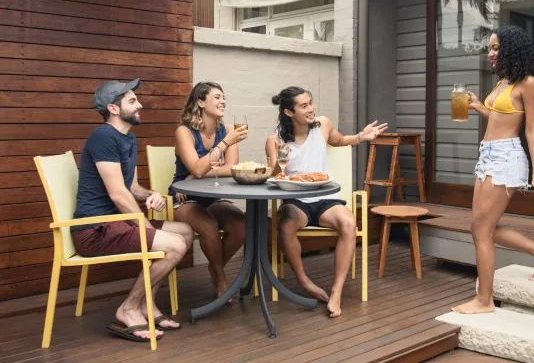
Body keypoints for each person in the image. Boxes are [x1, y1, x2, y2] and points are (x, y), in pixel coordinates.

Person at [452, 25, 534, 314]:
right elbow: (500, 116)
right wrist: (478, 106)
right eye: (490, 47)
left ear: (512, 49)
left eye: (496, 48)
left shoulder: (528, 83)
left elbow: (531, 130)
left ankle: (484, 300)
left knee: (482, 230)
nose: (490, 53)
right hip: (487, 155)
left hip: (507, 158)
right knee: (480, 227)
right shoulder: (504, 81)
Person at [72, 78, 193, 341]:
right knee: (175, 246)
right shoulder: (103, 136)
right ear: (113, 109)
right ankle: (128, 308)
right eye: (132, 101)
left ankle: (145, 304)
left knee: (184, 232)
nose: (140, 104)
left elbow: (132, 188)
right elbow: (117, 194)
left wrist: (152, 196)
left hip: (118, 223)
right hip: (94, 230)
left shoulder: (128, 137)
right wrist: (145, 225)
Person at [265, 86, 387, 318]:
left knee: (349, 224)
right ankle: (305, 282)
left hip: (326, 198)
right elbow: (274, 177)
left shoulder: (322, 126)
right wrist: (280, 158)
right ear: (289, 112)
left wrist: (362, 137)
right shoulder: (276, 140)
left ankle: (336, 292)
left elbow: (340, 140)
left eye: (311, 103)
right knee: (285, 226)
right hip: (296, 201)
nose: (311, 109)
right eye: (304, 106)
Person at [169, 82, 248, 298]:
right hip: (185, 198)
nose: (223, 101)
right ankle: (221, 278)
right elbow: (197, 165)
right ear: (201, 102)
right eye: (217, 97)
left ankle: (215, 266)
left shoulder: (228, 130)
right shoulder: (184, 132)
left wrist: (196, 174)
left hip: (212, 196)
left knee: (241, 225)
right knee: (209, 227)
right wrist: (223, 146)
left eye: (224, 97)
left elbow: (232, 169)